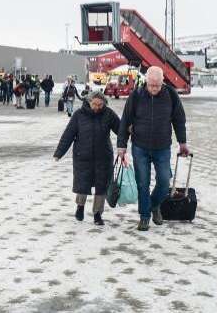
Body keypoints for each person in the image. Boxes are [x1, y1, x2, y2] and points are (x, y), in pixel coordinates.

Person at [116, 66, 190, 231]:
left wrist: (182, 142)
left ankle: (154, 205)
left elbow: (179, 120)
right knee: (142, 183)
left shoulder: (171, 95)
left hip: (162, 147)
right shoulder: (136, 95)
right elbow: (125, 121)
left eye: (157, 85)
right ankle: (144, 217)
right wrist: (121, 145)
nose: (154, 88)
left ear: (163, 82)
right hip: (140, 147)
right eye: (151, 85)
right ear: (146, 82)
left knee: (164, 182)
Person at [53, 91, 120, 225]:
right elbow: (68, 134)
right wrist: (59, 153)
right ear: (89, 102)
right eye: (94, 104)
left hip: (103, 156)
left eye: (100, 105)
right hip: (83, 156)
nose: (97, 107)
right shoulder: (79, 114)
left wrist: (131, 134)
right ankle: (80, 207)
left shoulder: (108, 114)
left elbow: (121, 129)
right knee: (82, 184)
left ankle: (97, 214)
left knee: (101, 186)